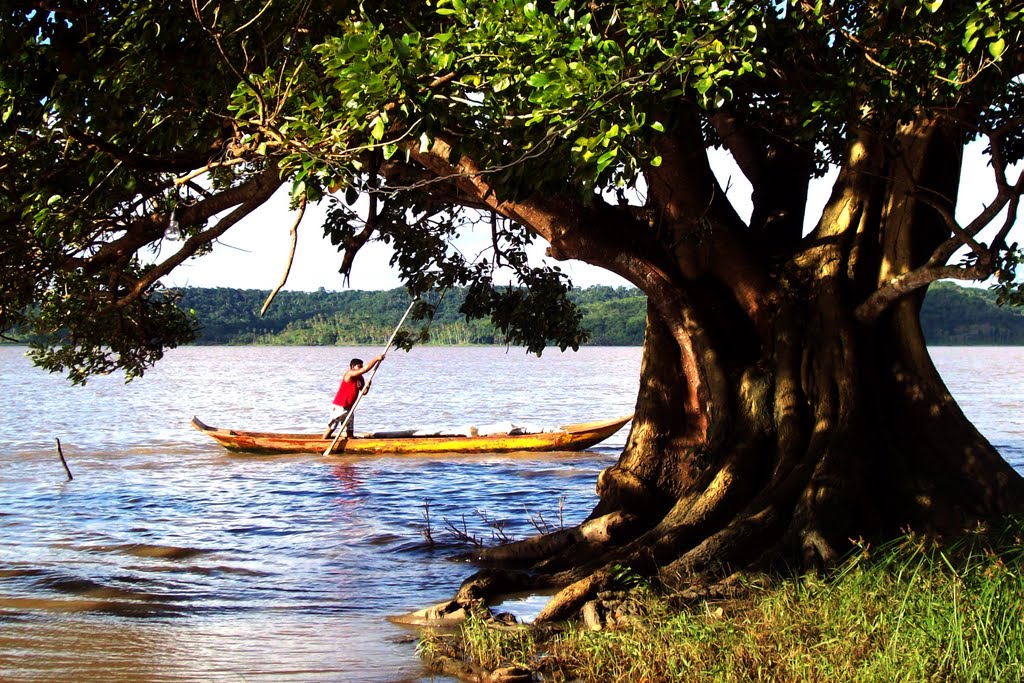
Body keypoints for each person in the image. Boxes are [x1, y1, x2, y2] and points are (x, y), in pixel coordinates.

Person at [323, 354, 385, 439]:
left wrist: (368, 385)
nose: (361, 368)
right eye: (359, 367)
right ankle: (323, 442)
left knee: (350, 431)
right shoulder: (350, 373)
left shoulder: (360, 378)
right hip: (340, 406)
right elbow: (365, 369)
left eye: (361, 366)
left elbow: (364, 392)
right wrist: (376, 359)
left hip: (350, 408)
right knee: (331, 427)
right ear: (353, 367)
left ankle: (350, 442)